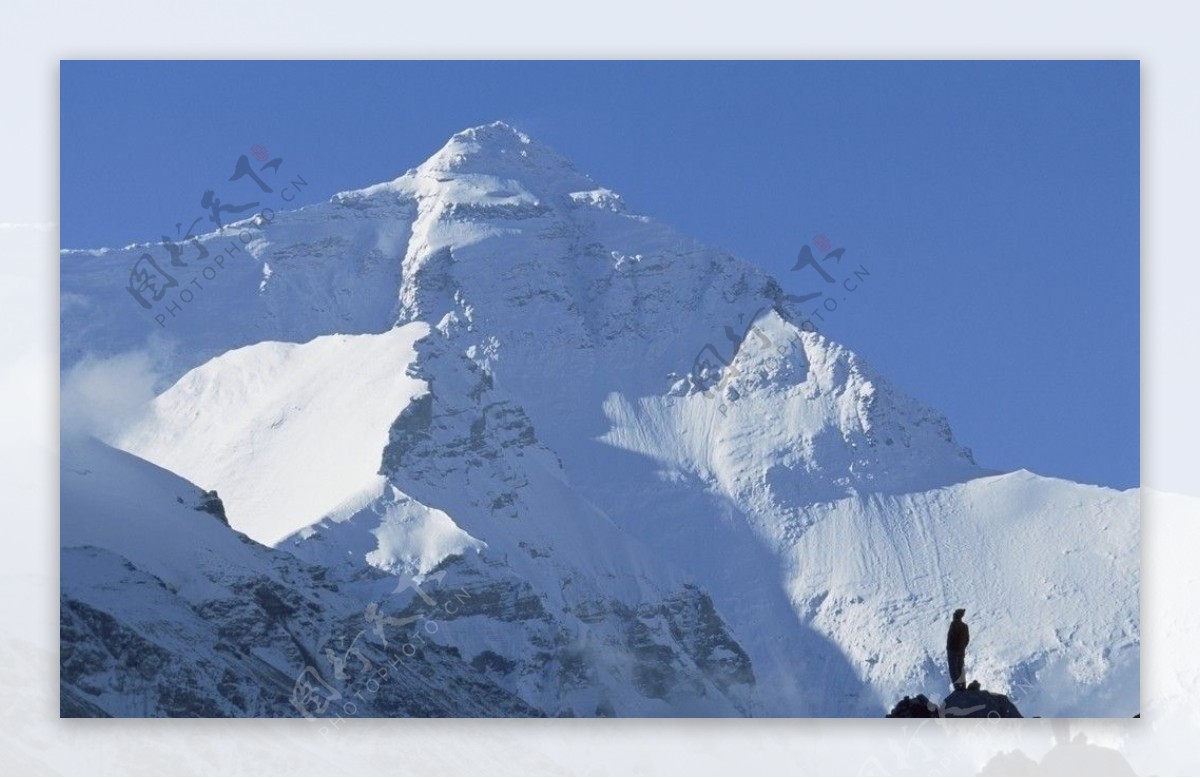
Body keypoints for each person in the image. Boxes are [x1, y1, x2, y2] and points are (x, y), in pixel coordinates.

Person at [947, 608, 970, 690]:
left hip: (952, 651)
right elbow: (967, 639)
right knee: (960, 668)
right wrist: (962, 647)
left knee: (953, 669)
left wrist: (950, 648)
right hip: (961, 651)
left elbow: (951, 638)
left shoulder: (953, 624)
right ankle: (963, 686)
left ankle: (958, 688)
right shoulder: (965, 626)